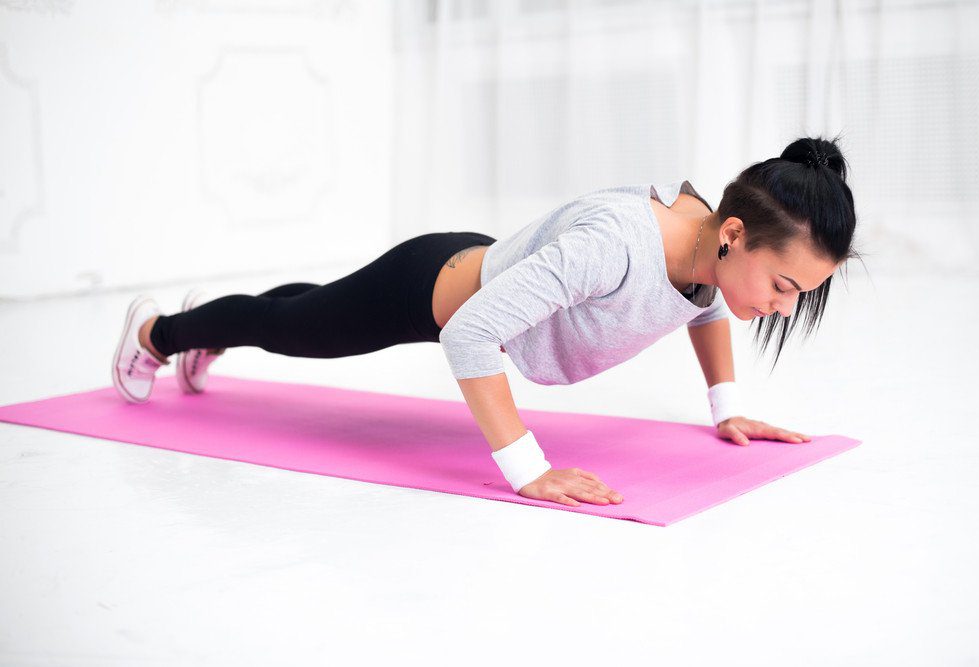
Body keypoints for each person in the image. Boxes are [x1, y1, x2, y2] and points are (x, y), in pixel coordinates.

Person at [112, 135, 861, 510]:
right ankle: (157, 334)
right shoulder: (616, 245)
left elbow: (700, 304)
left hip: (471, 272)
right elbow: (468, 333)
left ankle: (212, 324)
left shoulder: (707, 246)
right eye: (784, 285)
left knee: (302, 310)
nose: (783, 305)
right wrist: (527, 469)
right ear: (733, 233)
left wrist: (726, 409)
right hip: (426, 291)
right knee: (290, 326)